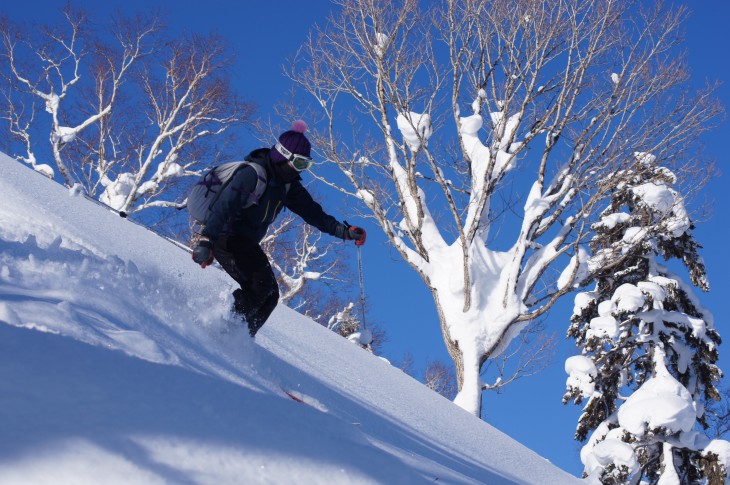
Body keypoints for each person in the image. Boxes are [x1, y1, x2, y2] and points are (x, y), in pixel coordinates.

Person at [191, 120, 366, 336]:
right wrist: (207, 241)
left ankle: (239, 339)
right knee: (260, 289)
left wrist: (344, 231)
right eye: (301, 164)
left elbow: (313, 212)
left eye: (307, 165)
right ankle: (223, 334)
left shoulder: (287, 185)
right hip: (226, 237)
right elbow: (225, 206)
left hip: (245, 242)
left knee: (270, 295)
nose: (303, 170)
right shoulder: (252, 174)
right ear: (284, 156)